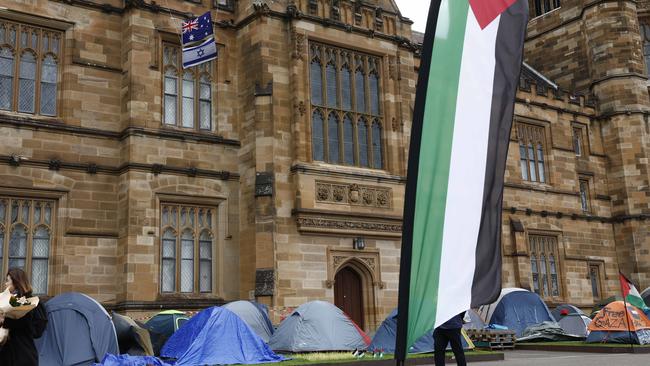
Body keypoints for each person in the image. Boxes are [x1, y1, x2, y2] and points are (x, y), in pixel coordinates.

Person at [0, 268, 38, 366]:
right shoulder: (8, 299)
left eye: (7, 281)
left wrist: (4, 320)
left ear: (16, 282)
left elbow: (28, 326)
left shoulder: (29, 301)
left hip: (22, 353)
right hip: (7, 353)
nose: (5, 284)